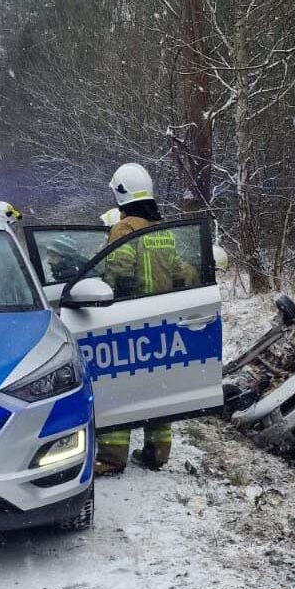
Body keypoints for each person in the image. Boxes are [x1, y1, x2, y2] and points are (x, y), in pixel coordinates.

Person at [94, 163, 187, 476]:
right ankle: (157, 452)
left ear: (121, 193)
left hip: (129, 317)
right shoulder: (163, 230)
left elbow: (116, 272)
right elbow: (177, 272)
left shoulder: (124, 229)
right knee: (157, 386)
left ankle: (111, 457)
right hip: (162, 316)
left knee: (118, 385)